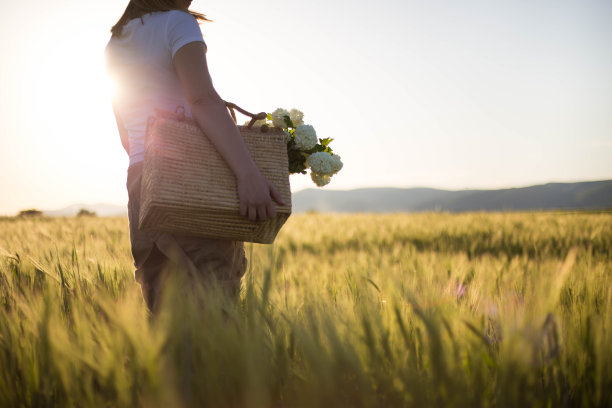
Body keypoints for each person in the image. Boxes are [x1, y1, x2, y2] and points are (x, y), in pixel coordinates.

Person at [105, 0, 285, 313]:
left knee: (163, 310)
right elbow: (202, 100)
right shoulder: (178, 22)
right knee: (214, 307)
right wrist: (248, 173)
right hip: (191, 179)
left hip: (141, 180)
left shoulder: (115, 43)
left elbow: (126, 137)